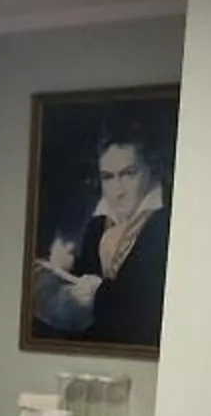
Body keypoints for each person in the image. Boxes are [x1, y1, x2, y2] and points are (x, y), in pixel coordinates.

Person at [31, 135, 170, 345]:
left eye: (129, 174)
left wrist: (99, 295)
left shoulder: (165, 224)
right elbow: (85, 278)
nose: (118, 190)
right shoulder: (97, 225)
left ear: (151, 170)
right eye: (107, 177)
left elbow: (151, 304)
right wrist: (72, 291)